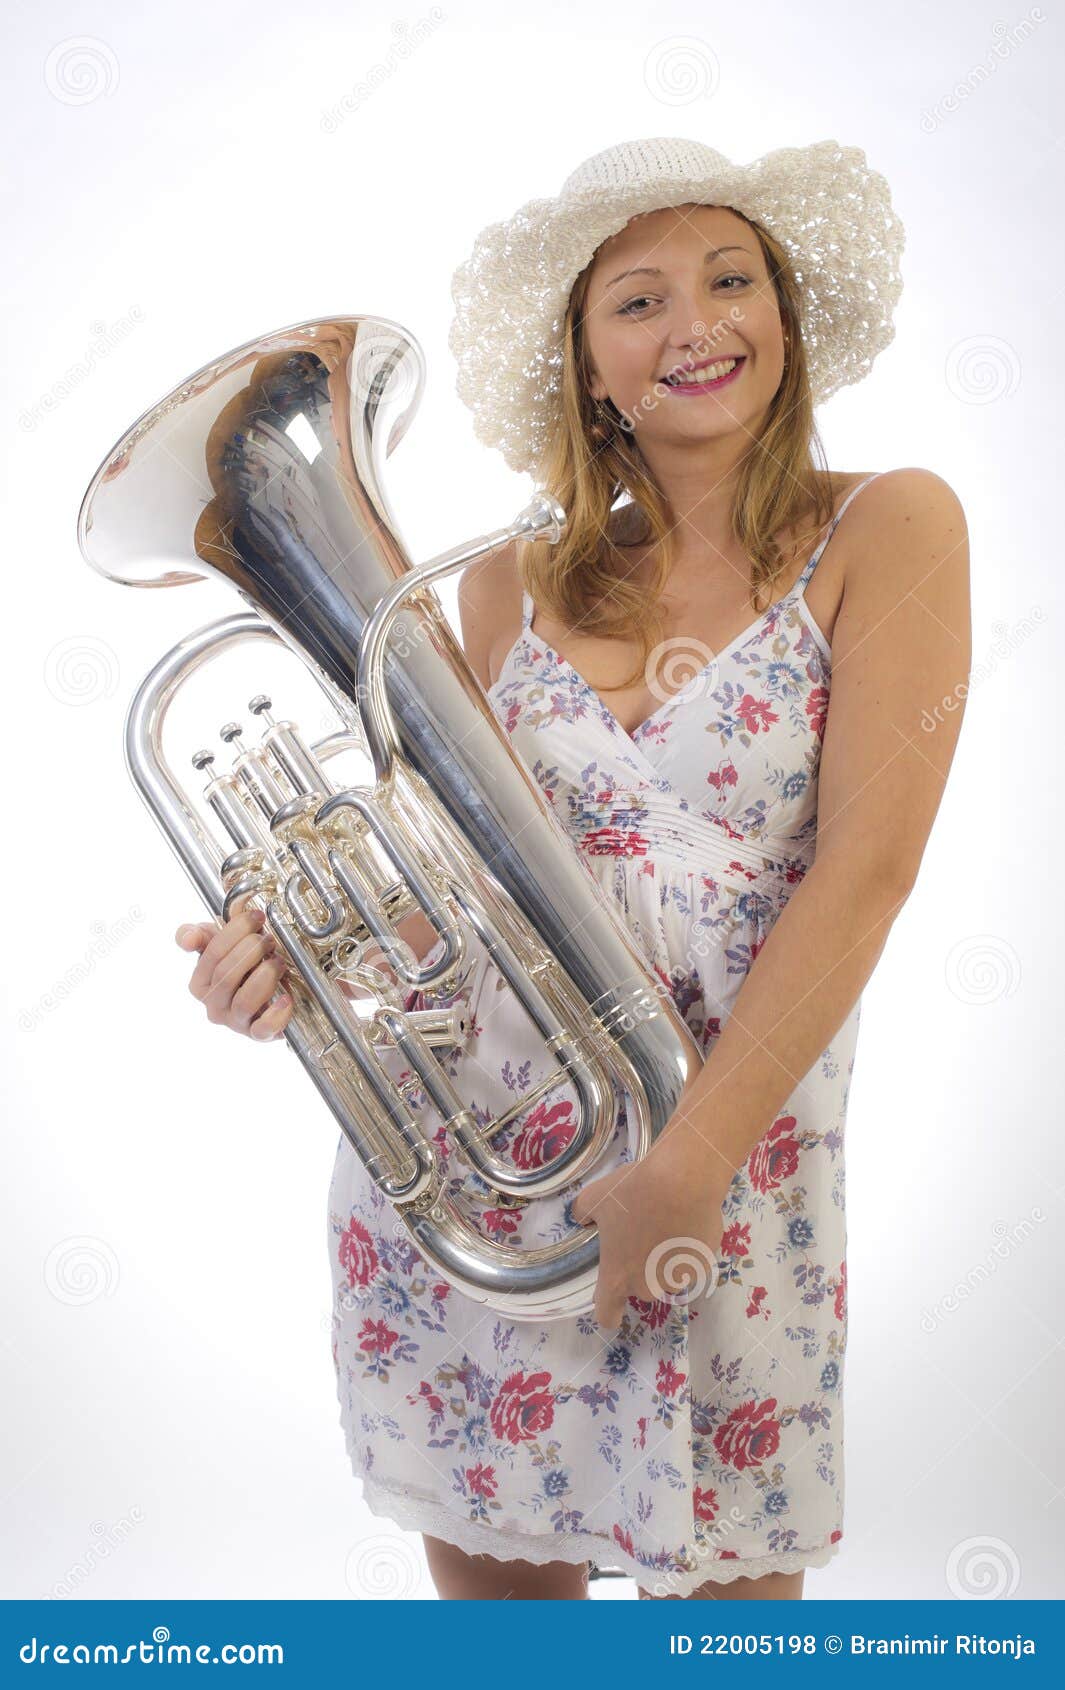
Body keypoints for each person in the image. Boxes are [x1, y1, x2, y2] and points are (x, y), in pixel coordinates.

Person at [176, 136, 971, 1599]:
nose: (696, 325)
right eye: (639, 300)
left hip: (724, 1152)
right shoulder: (501, 581)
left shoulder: (889, 522)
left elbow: (867, 868)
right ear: (588, 367)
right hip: (477, 1164)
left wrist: (689, 1159)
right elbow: (449, 885)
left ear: (786, 321)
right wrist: (305, 955)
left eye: (732, 281)